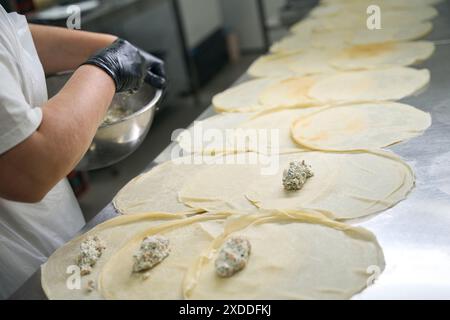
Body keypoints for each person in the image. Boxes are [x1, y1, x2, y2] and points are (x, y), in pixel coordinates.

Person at [0, 5, 166, 299]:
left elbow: (10, 41)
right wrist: (108, 68)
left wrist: (108, 47)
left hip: (52, 237)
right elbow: (30, 168)